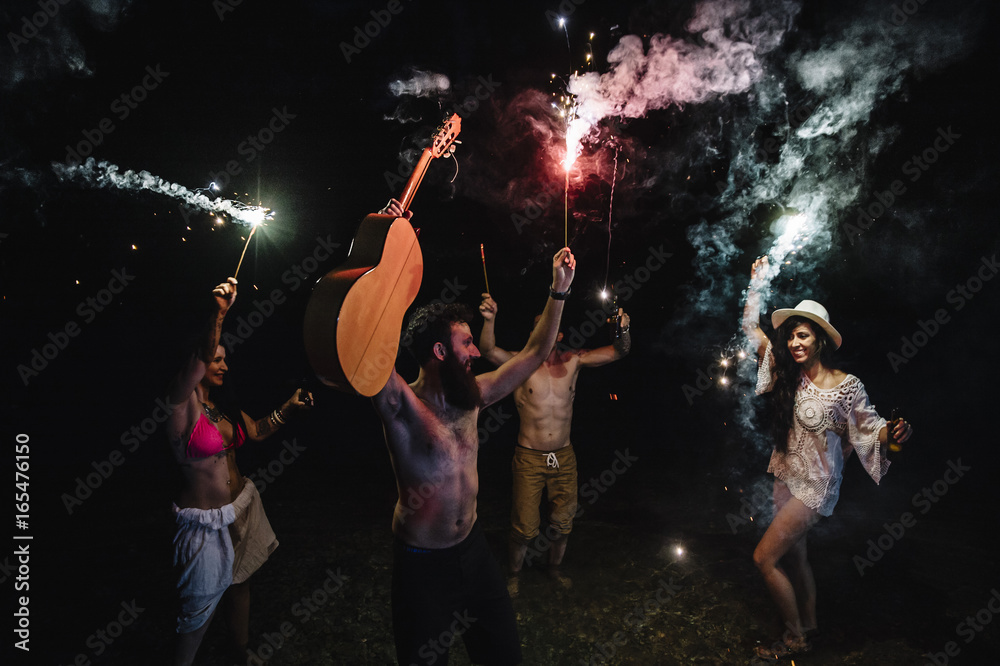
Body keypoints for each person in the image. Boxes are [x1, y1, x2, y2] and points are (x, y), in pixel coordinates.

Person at [373, 200, 576, 666]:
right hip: (422, 566)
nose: (476, 354)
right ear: (440, 350)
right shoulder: (400, 403)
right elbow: (366, 343)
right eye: (467, 343)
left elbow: (533, 352)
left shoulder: (475, 396)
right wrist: (383, 251)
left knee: (504, 655)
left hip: (474, 552)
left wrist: (559, 291)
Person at [742, 256, 912, 659]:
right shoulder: (788, 374)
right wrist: (756, 283)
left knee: (764, 559)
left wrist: (897, 432)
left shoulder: (846, 386)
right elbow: (752, 329)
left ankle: (793, 636)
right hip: (785, 475)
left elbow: (873, 429)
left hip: (815, 488)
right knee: (796, 555)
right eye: (790, 338)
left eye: (802, 336)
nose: (794, 343)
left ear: (819, 339)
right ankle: (811, 626)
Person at [166, 277, 313, 666]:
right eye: (217, 359)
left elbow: (260, 429)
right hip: (204, 525)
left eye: (224, 358)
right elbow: (200, 355)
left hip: (242, 507)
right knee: (198, 607)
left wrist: (290, 407)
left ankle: (239, 654)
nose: (224, 365)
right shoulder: (181, 406)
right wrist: (219, 313)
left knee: (241, 582)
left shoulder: (223, 408)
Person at [478, 294, 630, 595]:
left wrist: (623, 329)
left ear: (558, 332)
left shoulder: (574, 359)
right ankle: (515, 575)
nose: (544, 330)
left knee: (563, 522)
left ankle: (554, 569)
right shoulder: (519, 363)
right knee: (524, 526)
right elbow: (486, 350)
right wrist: (490, 320)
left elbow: (618, 352)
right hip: (529, 457)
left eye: (549, 325)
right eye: (538, 326)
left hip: (564, 456)